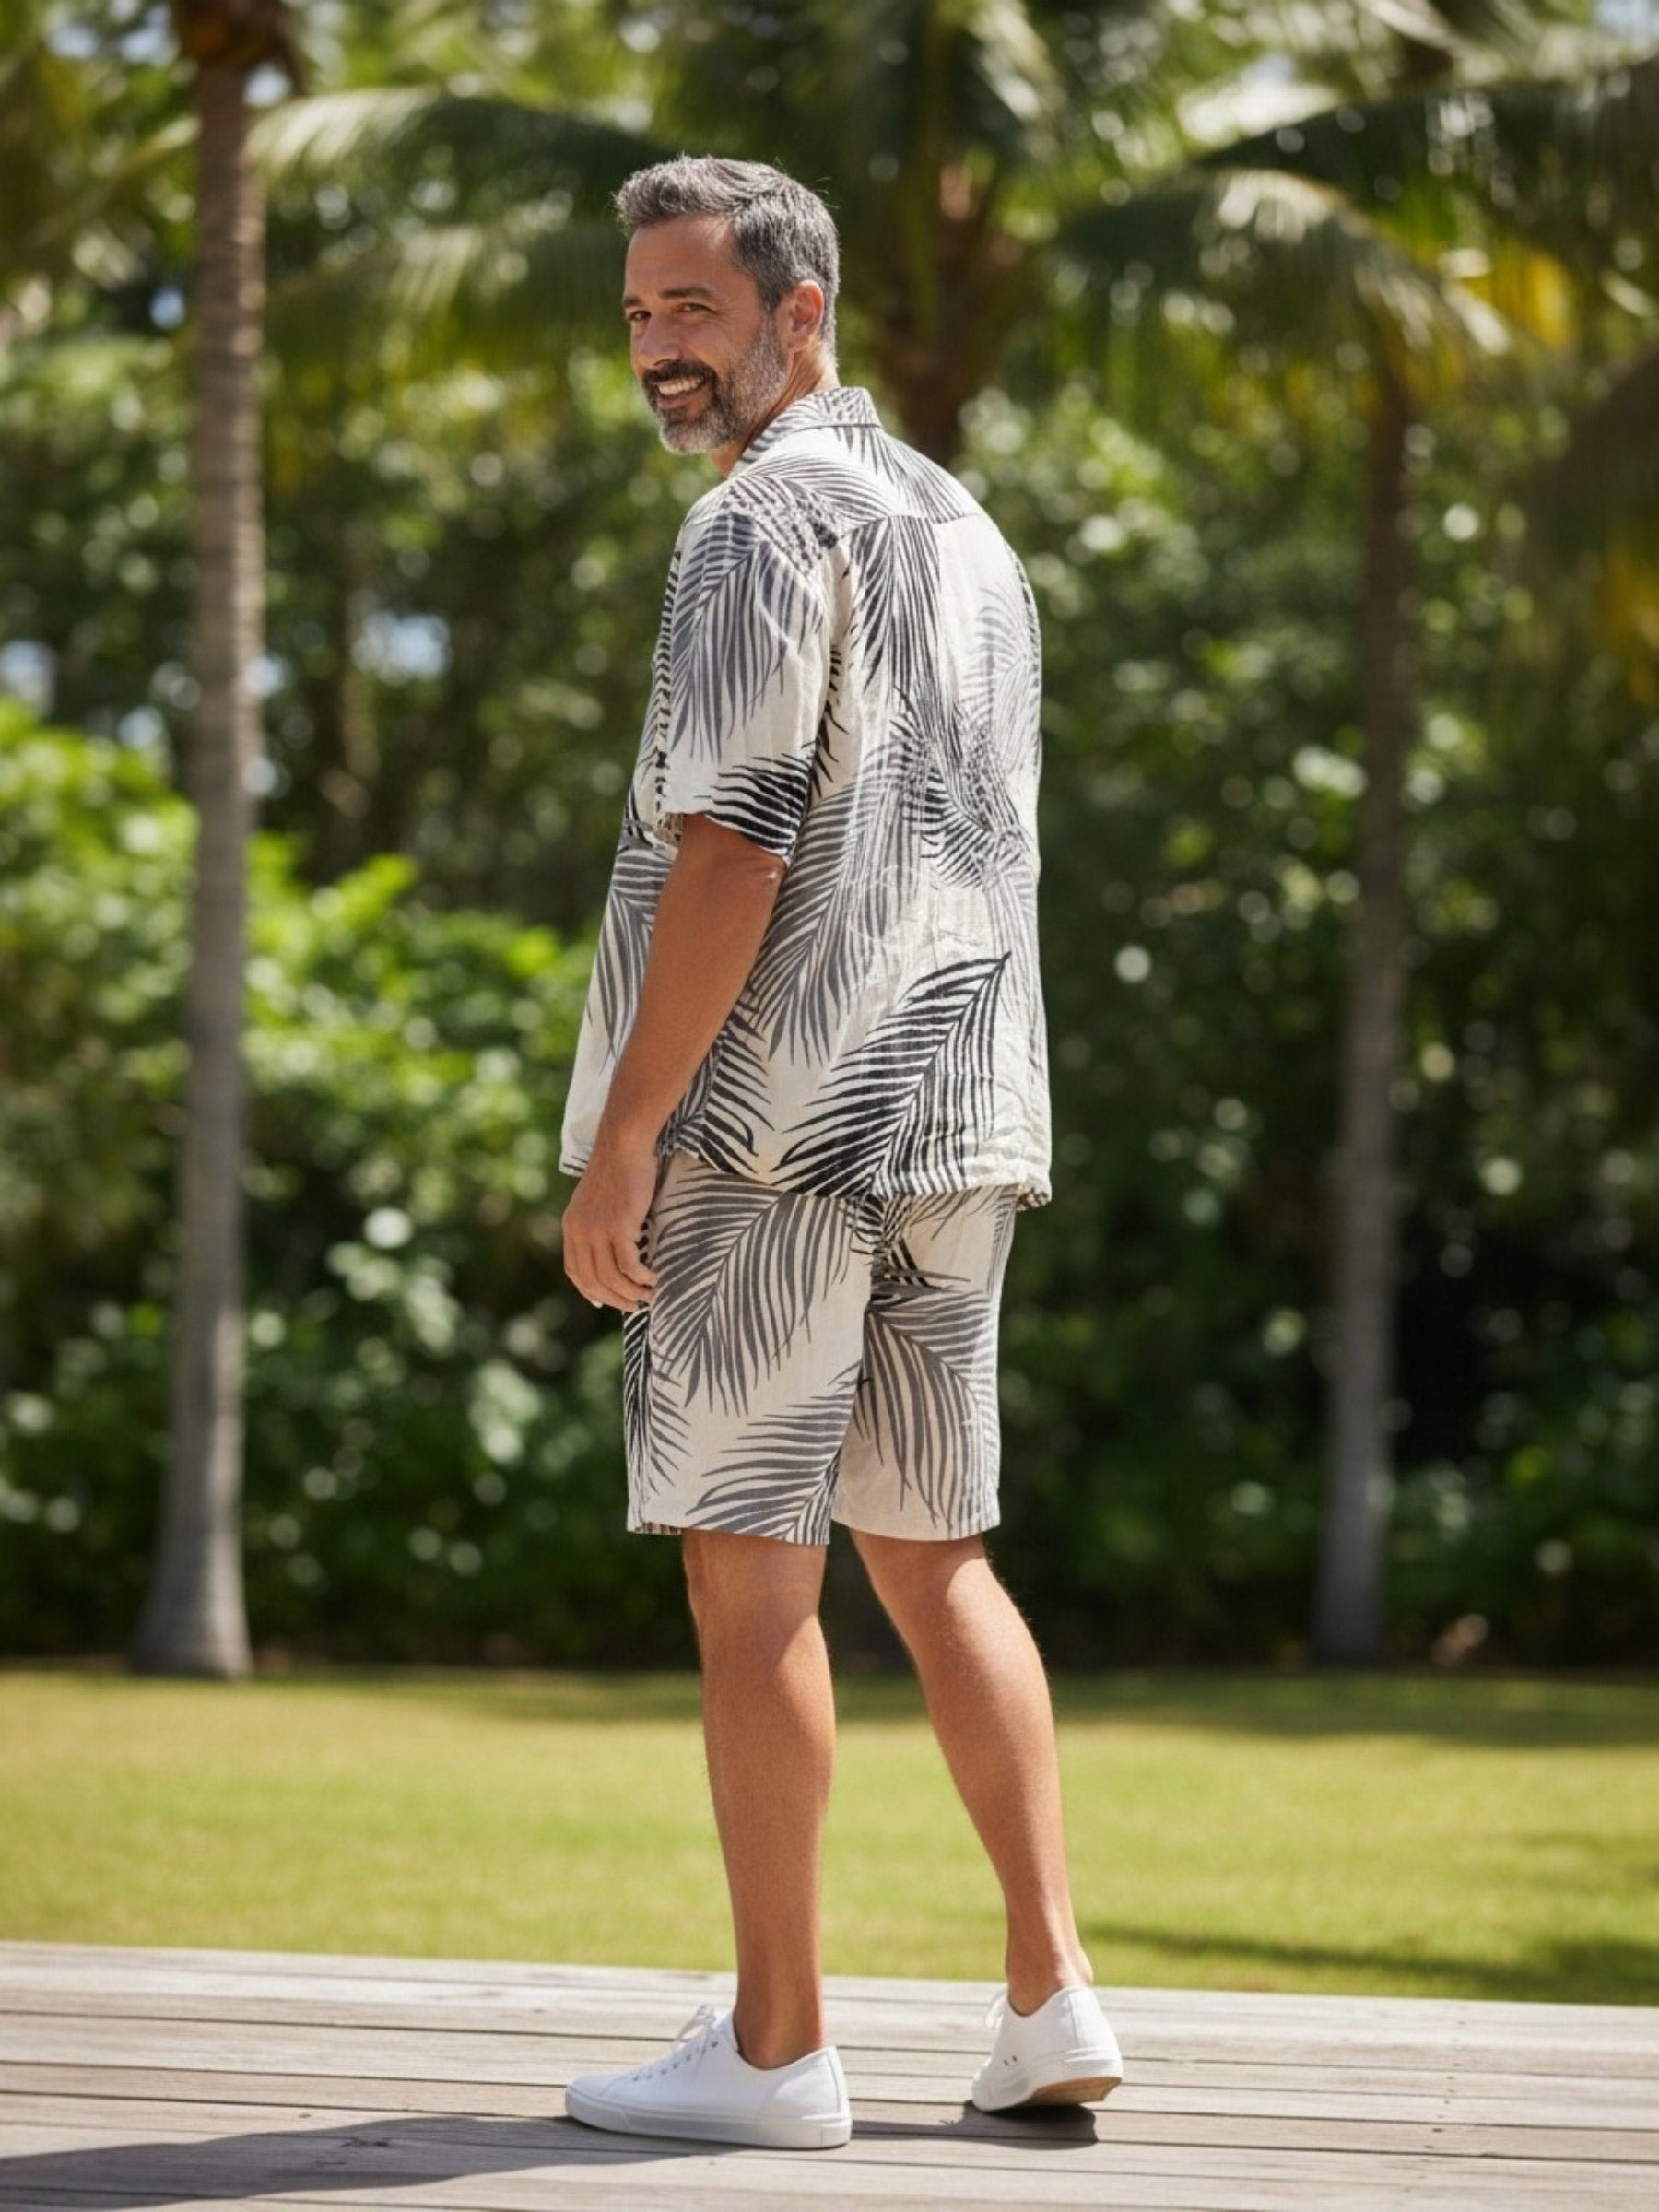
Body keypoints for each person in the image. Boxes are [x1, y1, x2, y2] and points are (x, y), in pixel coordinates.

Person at [557, 155, 1122, 2152]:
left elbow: (736, 841)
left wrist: (629, 1133)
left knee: (750, 1577)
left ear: (802, 316)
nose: (659, 350)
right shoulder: (969, 531)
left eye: (694, 311)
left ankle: (777, 2049)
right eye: (639, 314)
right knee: (937, 1555)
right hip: (964, 1117)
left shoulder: (755, 522)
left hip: (776, 1131)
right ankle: (1050, 1991)